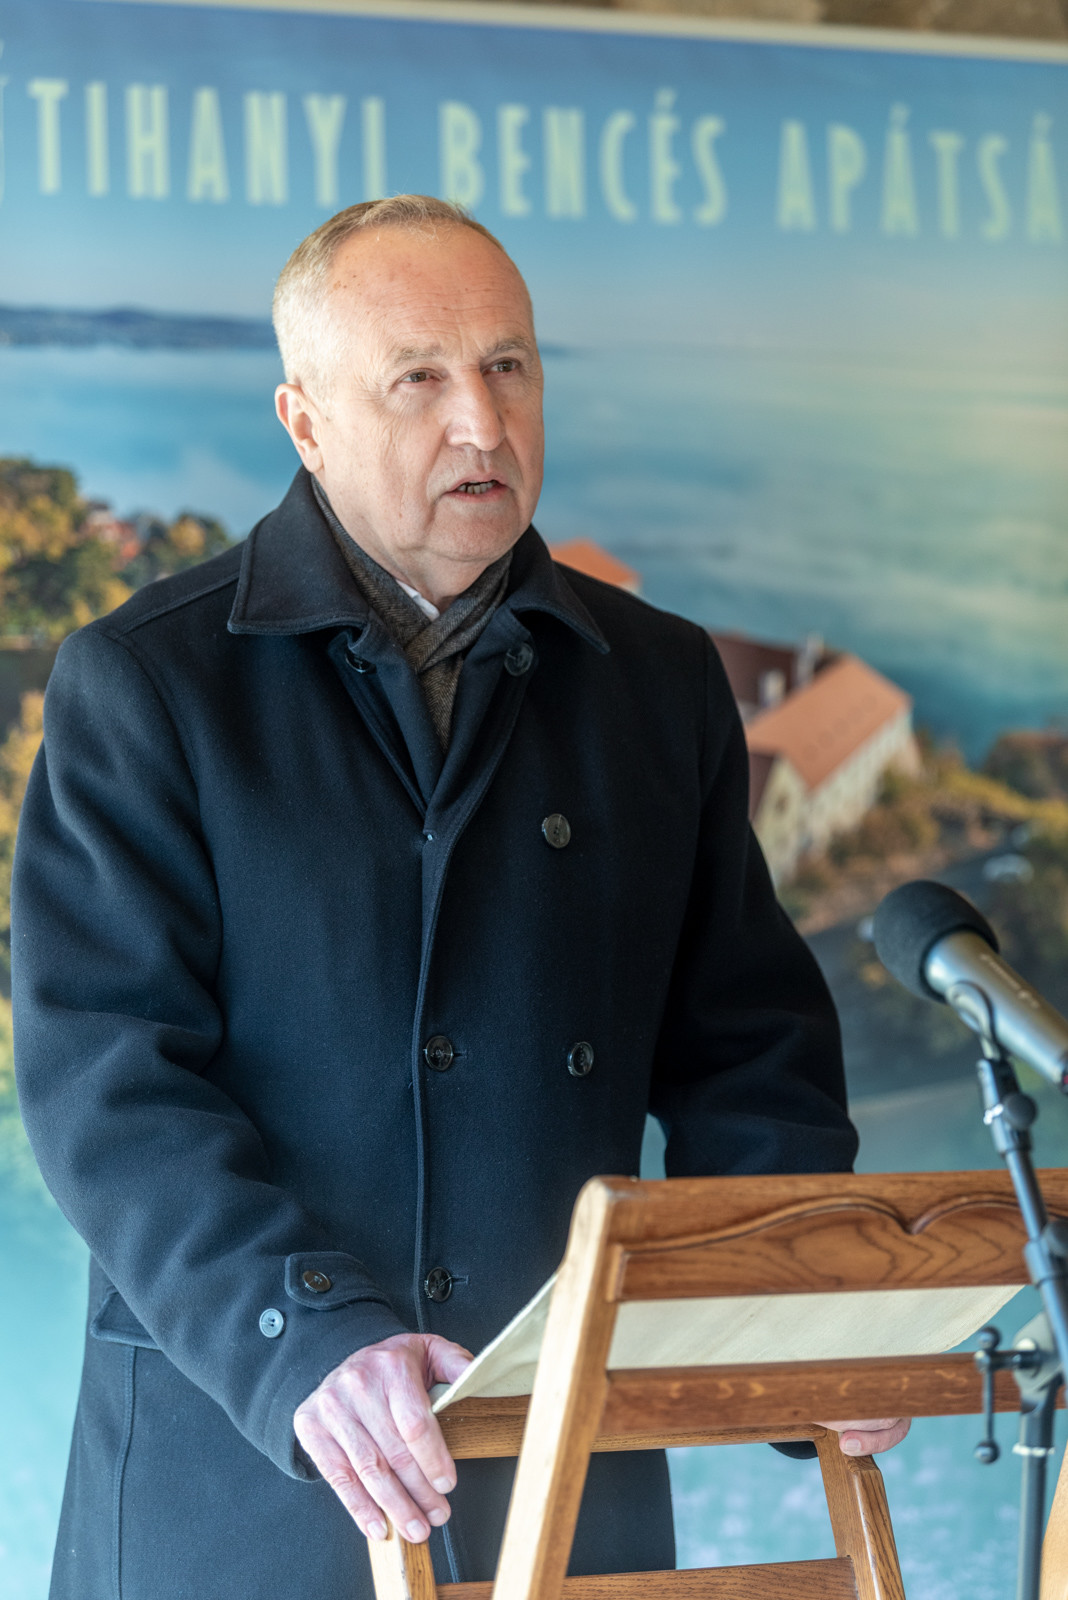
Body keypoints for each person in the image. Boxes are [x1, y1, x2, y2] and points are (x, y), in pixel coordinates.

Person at [12, 196, 907, 1600]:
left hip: (564, 1470)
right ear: (306, 421)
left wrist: (794, 1309)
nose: (482, 424)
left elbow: (747, 1049)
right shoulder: (148, 683)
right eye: (419, 379)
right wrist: (306, 1335)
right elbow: (104, 1086)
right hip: (250, 1463)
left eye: (508, 366)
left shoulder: (659, 681)